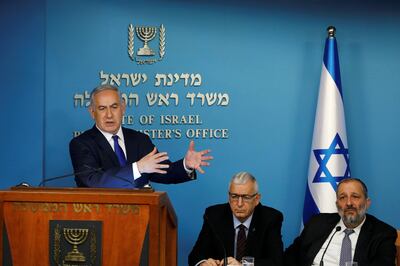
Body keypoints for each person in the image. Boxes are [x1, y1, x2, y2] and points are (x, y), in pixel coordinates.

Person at [69, 84, 212, 188]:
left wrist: (185, 165)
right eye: (102, 108)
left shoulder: (139, 139)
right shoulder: (81, 144)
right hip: (102, 221)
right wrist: (138, 168)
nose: (109, 115)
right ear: (92, 112)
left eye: (114, 107)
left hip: (141, 219)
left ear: (123, 108)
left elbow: (164, 172)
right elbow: (92, 181)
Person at [284, 178, 397, 266]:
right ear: (337, 204)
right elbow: (290, 256)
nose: (349, 203)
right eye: (342, 197)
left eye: (355, 196)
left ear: (367, 203)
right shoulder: (317, 223)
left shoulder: (383, 233)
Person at [189, 172, 284, 266]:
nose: (239, 204)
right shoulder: (213, 215)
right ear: (228, 197)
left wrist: (243, 265)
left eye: (246, 197)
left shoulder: (271, 219)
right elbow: (195, 255)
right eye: (234, 196)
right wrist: (203, 263)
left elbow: (276, 262)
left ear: (257, 199)